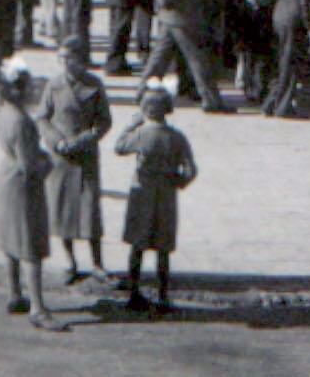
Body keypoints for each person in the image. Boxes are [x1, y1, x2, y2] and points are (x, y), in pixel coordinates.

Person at [0, 58, 65, 332]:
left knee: (11, 242)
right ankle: (38, 308)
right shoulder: (22, 121)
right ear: (18, 90)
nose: (33, 91)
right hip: (23, 188)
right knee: (31, 247)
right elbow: (29, 166)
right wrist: (49, 163)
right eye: (29, 87)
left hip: (6, 179)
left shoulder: (5, 112)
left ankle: (14, 293)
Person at [116, 80, 197, 314]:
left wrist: (131, 124)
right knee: (163, 246)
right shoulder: (177, 137)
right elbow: (191, 169)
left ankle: (134, 291)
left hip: (142, 191)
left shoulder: (141, 134)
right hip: (166, 194)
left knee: (137, 244)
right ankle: (162, 295)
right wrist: (179, 182)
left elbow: (120, 147)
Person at [37, 36, 112, 285]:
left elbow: (104, 121)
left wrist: (86, 138)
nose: (64, 62)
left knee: (90, 210)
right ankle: (70, 261)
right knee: (62, 211)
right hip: (61, 158)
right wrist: (56, 141)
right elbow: (42, 118)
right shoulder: (54, 85)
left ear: (81, 60)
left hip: (85, 155)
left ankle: (98, 263)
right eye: (61, 58)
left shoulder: (95, 85)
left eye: (69, 58)